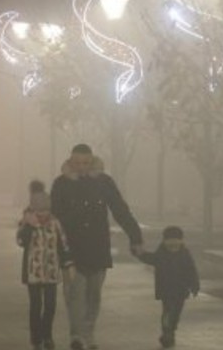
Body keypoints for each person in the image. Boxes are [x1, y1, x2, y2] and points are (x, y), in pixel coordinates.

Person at [51, 144, 144, 350]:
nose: (81, 167)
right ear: (70, 162)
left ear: (92, 161)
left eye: (85, 163)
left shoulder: (104, 183)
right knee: (75, 293)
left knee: (94, 294)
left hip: (97, 247)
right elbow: (54, 217)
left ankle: (89, 332)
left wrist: (135, 236)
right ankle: (77, 336)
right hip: (71, 249)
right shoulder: (61, 184)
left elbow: (120, 210)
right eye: (77, 163)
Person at [18, 185, 76, 350]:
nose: (43, 211)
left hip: (51, 270)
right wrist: (29, 225)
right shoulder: (27, 222)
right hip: (32, 272)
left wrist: (68, 264)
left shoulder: (55, 223)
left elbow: (63, 245)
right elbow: (21, 242)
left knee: (50, 305)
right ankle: (36, 338)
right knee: (36, 305)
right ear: (33, 206)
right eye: (39, 206)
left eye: (45, 205)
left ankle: (47, 335)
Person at [134, 225, 200, 348]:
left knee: (176, 313)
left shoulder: (185, 254)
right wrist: (139, 254)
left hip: (181, 290)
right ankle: (167, 332)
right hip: (166, 290)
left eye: (176, 240)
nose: (173, 244)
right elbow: (150, 258)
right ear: (165, 241)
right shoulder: (161, 253)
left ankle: (171, 330)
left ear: (181, 241)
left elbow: (191, 271)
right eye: (170, 241)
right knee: (168, 311)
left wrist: (195, 285)